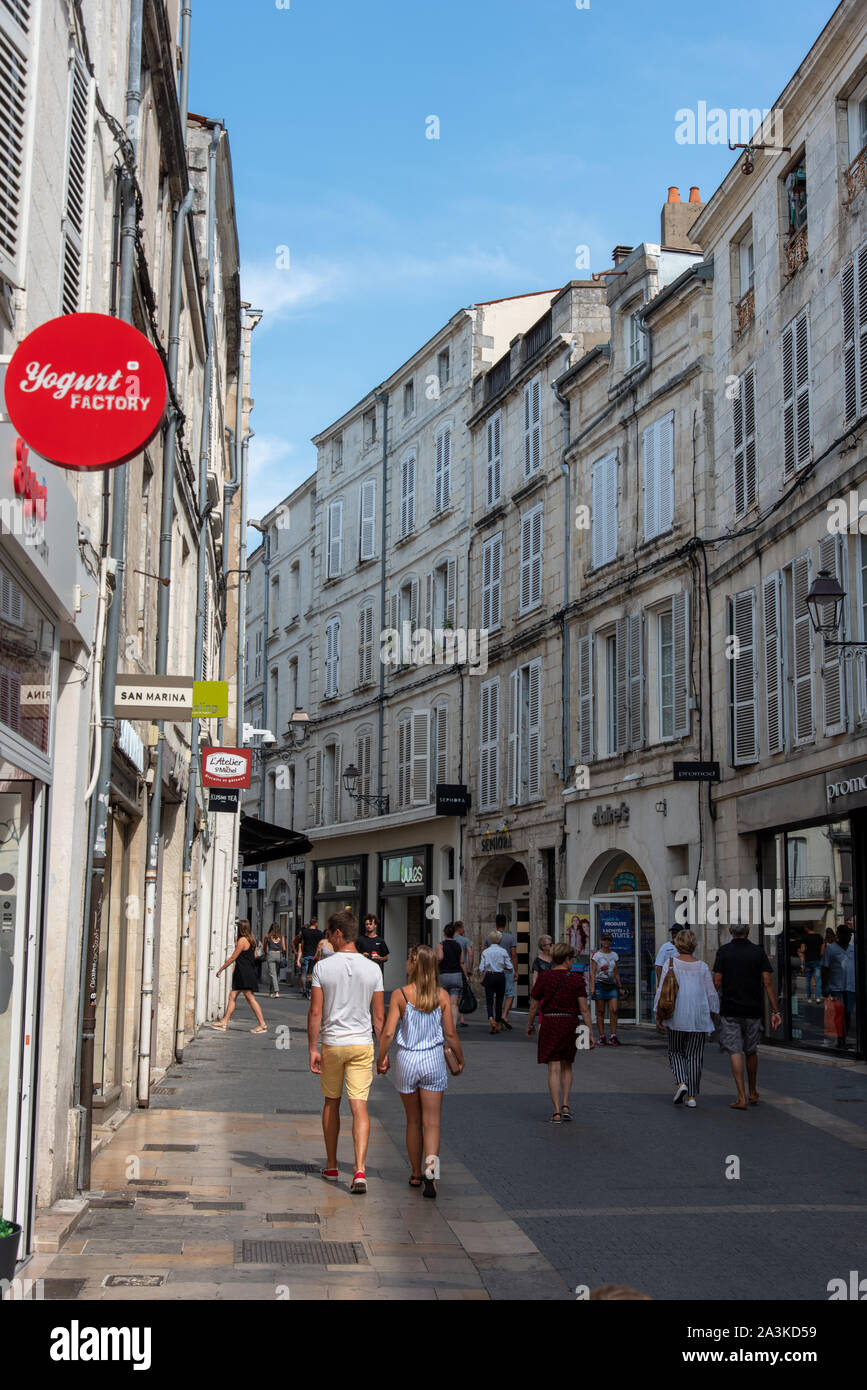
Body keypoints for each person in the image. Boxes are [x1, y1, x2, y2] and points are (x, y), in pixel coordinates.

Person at [307, 909, 385, 1194]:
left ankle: (330, 1163)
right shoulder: (373, 969)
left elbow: (315, 1012)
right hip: (362, 1044)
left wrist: (312, 1048)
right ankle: (360, 1170)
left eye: (329, 934)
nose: (328, 938)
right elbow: (379, 1017)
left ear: (338, 934)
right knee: (359, 1106)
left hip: (333, 1044)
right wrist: (384, 1052)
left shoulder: (322, 968)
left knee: (331, 1102)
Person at [377, 943, 464, 1198]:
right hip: (433, 1060)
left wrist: (380, 1058)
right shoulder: (442, 996)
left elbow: (389, 1032)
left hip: (407, 1060)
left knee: (413, 1121)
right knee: (433, 1122)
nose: (405, 963)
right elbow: (450, 1033)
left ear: (414, 963)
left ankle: (415, 1173)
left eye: (407, 959)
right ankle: (431, 1173)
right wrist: (460, 1058)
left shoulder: (400, 995)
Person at [713, 924, 781, 1110]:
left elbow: (717, 981)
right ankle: (753, 1092)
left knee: (735, 1050)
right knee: (751, 1050)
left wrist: (709, 1003)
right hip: (753, 1008)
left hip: (731, 1009)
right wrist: (775, 1010)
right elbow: (767, 982)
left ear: (730, 932)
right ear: (748, 931)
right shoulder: (758, 952)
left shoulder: (723, 952)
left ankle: (741, 1097)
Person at [526, 942, 592, 1122]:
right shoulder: (576, 979)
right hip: (570, 1022)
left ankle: (556, 1112)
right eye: (572, 958)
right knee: (567, 1065)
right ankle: (565, 1105)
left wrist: (530, 1024)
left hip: (550, 1021)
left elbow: (534, 1005)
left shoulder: (545, 977)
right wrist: (590, 1032)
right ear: (567, 959)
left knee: (553, 1068)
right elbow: (584, 1009)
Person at [654, 929, 719, 1107]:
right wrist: (712, 1013)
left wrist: (657, 1013)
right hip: (698, 1016)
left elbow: (662, 990)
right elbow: (711, 994)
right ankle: (692, 1096)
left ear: (677, 944)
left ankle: (681, 1082)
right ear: (694, 945)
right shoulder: (703, 966)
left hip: (676, 1014)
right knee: (695, 1055)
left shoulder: (671, 963)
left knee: (675, 1050)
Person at [210, 920, 267, 1033]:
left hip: (243, 973)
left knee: (250, 999)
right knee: (232, 996)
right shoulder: (252, 940)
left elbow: (233, 957)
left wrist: (221, 969)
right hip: (246, 972)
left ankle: (262, 1024)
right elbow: (255, 955)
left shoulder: (242, 940)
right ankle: (224, 1022)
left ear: (240, 929)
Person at [822, 923, 856, 1050]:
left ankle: (844, 1038)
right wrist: (824, 986)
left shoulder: (853, 948)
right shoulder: (831, 949)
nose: (848, 937)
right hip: (836, 987)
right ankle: (840, 1038)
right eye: (846, 934)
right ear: (839, 935)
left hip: (851, 987)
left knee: (847, 1014)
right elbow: (825, 968)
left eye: (849, 934)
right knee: (839, 1014)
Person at [478, 929, 514, 1033]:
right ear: (499, 940)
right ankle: (498, 1023)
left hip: (489, 975)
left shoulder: (486, 951)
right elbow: (510, 967)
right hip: (500, 976)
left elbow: (481, 967)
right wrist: (503, 967)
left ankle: (491, 1019)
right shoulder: (503, 951)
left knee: (489, 1000)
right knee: (499, 1000)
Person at [590, 933, 622, 1045]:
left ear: (611, 941)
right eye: (604, 940)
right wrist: (592, 986)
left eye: (608, 940)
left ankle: (613, 1035)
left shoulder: (614, 955)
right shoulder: (596, 955)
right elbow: (593, 972)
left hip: (612, 985)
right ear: (601, 941)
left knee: (614, 1009)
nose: (606, 942)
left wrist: (620, 986)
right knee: (600, 1011)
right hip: (600, 984)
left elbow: (616, 972)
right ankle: (602, 1035)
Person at [436, 923, 465, 1029]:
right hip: (456, 975)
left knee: (442, 1002)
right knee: (454, 1004)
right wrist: (465, 974)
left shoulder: (441, 945)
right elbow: (462, 961)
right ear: (454, 933)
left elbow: (440, 957)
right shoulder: (458, 945)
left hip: (444, 975)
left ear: (444, 933)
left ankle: (440, 1026)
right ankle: (452, 1027)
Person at [492, 914, 519, 1028]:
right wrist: (516, 970)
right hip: (507, 969)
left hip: (494, 968)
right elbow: (513, 954)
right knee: (510, 993)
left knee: (495, 994)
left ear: (496, 923)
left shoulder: (490, 937)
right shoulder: (510, 937)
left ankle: (498, 1016)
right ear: (506, 923)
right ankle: (504, 1014)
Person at [798, 924, 824, 1004]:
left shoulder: (805, 937)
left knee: (808, 980)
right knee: (818, 980)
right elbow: (823, 950)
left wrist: (801, 950)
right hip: (817, 960)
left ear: (806, 928)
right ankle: (818, 997)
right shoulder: (819, 936)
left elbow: (802, 950)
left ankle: (809, 998)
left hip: (808, 960)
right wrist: (819, 955)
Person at [453, 921, 474, 1026]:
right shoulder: (465, 940)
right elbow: (470, 954)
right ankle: (461, 1018)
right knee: (463, 993)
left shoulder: (449, 939)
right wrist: (470, 969)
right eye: (463, 927)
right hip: (462, 969)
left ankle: (453, 1017)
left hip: (451, 969)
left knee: (452, 994)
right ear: (460, 928)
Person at [298, 918, 323, 998]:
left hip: (307, 954)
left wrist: (301, 954)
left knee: (307, 974)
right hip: (316, 956)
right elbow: (321, 945)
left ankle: (308, 991)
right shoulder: (319, 933)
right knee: (315, 974)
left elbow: (301, 944)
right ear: (316, 923)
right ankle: (312, 991)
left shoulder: (305, 932)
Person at [264, 922, 286, 997]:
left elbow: (264, 947)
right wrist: (283, 955)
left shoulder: (267, 936)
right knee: (275, 974)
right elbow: (284, 948)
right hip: (279, 955)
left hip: (271, 954)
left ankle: (276, 991)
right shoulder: (281, 936)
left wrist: (266, 953)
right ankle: (271, 991)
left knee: (273, 974)